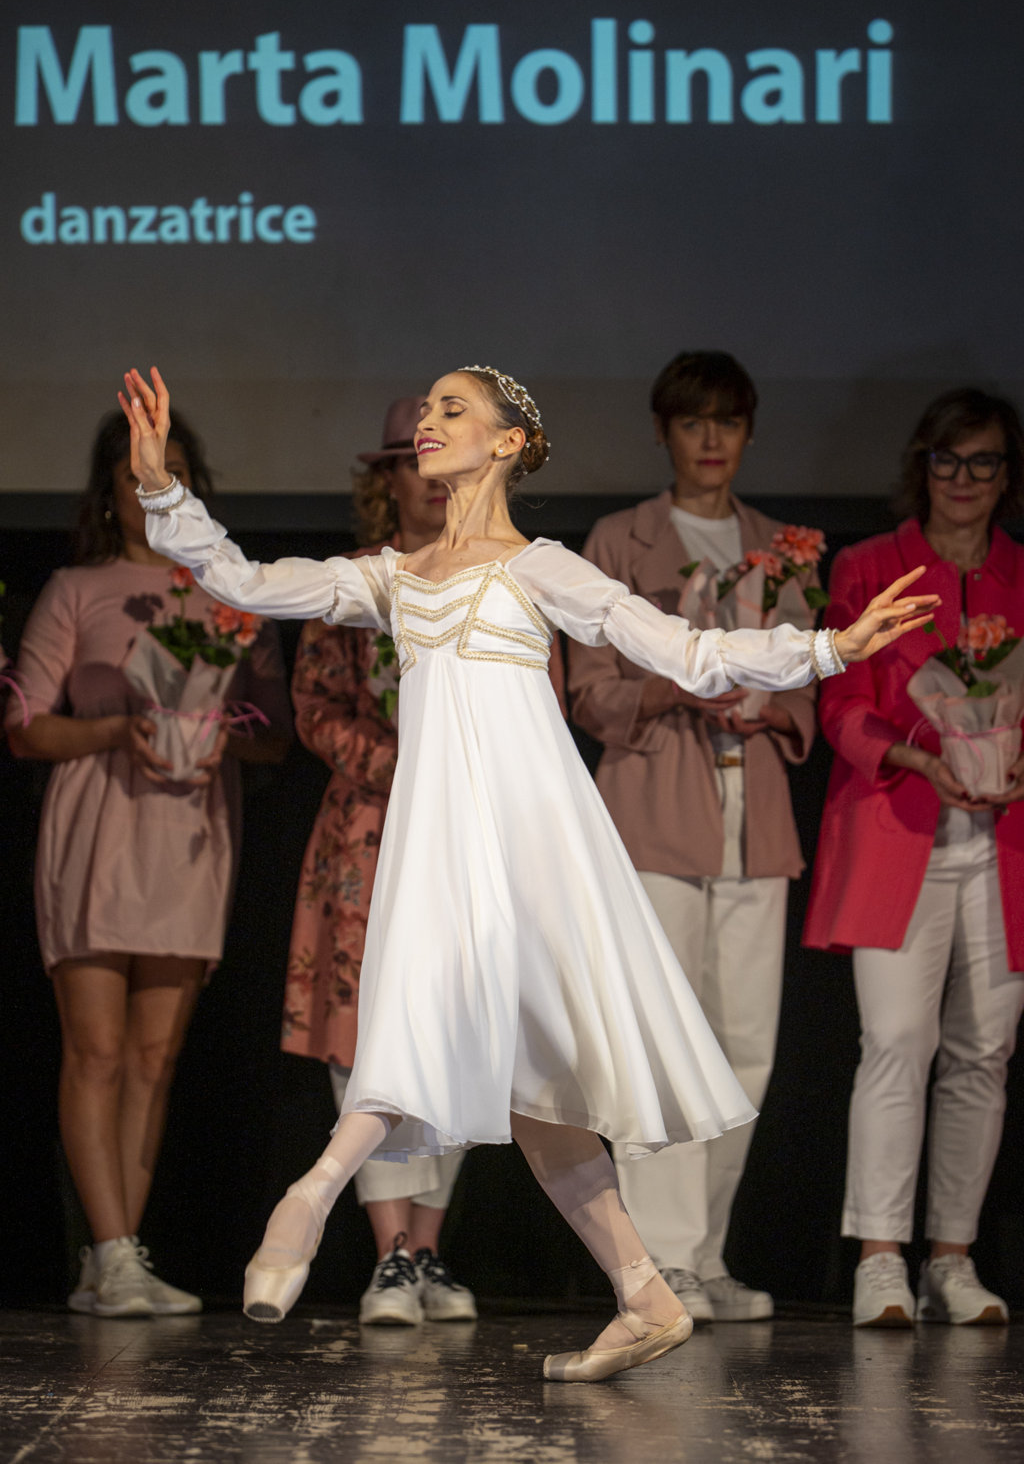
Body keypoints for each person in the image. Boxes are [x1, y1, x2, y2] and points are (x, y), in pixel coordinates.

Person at [120, 362, 931, 1381]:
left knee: (468, 1038)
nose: (429, 421)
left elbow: (682, 652)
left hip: (532, 844)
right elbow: (242, 580)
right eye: (425, 409)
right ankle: (645, 1294)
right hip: (439, 838)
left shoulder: (540, 567)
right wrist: (162, 489)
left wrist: (826, 649)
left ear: (507, 442)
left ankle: (312, 1193)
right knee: (529, 1089)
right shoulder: (389, 577)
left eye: (452, 408)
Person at [6, 409, 291, 1318]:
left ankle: (119, 1256)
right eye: (135, 473)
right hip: (99, 824)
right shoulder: (77, 588)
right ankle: (112, 1249)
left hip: (191, 829)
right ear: (108, 491)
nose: (151, 488)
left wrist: (221, 733)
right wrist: (114, 730)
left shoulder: (232, 593)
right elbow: (24, 723)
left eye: (171, 471)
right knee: (95, 1048)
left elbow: (273, 730)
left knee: (155, 1055)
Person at [569, 351, 819, 1323]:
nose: (711, 440)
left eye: (727, 421)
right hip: (654, 812)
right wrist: (677, 686)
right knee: (660, 1041)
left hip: (755, 820)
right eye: (691, 422)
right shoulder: (619, 539)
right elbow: (589, 688)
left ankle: (705, 1255)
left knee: (745, 1046)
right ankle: (661, 1258)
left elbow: (807, 681)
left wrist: (769, 702)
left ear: (748, 431)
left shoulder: (781, 547)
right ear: (663, 432)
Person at [804, 388, 1024, 1327]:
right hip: (899, 831)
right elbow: (840, 704)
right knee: (896, 1041)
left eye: (983, 462)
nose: (963, 479)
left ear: (1006, 475)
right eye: (947, 460)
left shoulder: (1022, 573)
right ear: (921, 466)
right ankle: (881, 1259)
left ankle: (953, 1259)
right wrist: (915, 755)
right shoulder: (871, 567)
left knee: (984, 1052)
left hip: (1005, 843)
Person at [284, 397, 475, 1323]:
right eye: (413, 461)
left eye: (446, 460)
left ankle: (429, 1250)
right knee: (365, 1029)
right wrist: (399, 764)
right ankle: (389, 1251)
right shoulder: (356, 583)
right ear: (388, 479)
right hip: (370, 823)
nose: (431, 478)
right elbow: (315, 704)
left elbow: (540, 704)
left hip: (466, 827)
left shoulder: (495, 578)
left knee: (458, 1027)